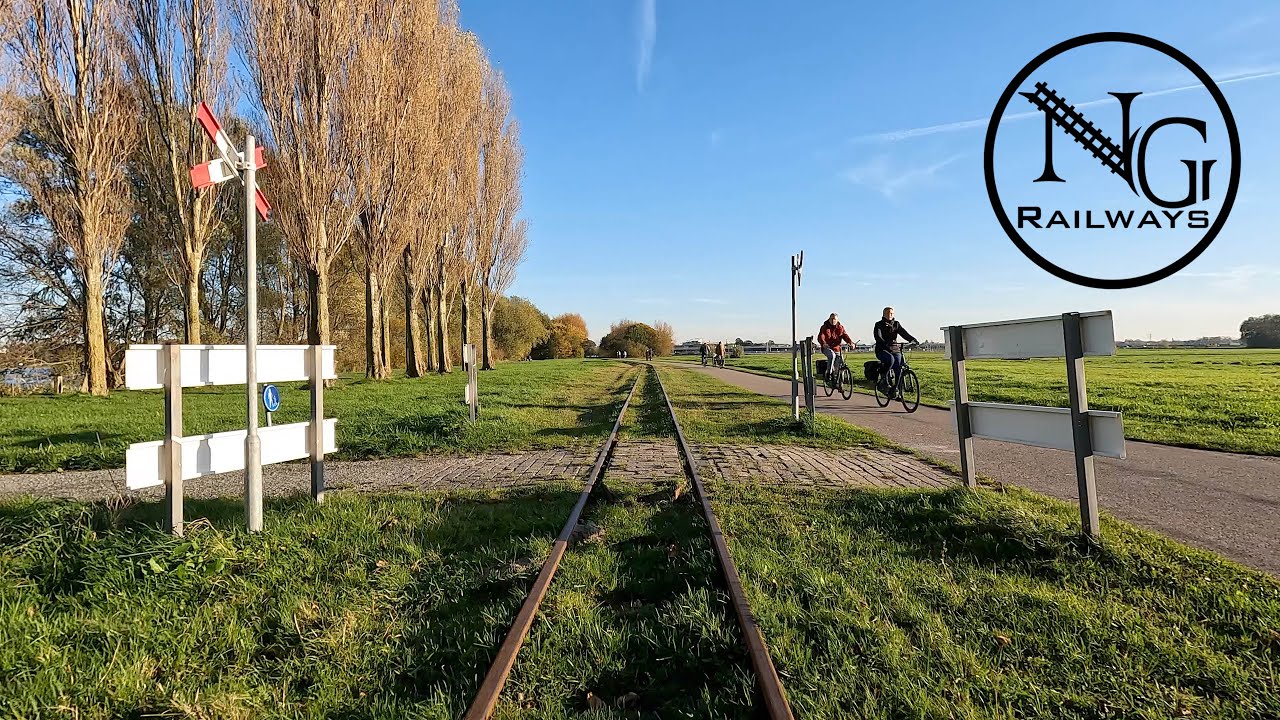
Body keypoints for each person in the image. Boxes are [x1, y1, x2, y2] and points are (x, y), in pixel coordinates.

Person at [874, 306, 918, 398]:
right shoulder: (879, 324)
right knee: (890, 360)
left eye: (892, 313)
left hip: (895, 349)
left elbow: (904, 333)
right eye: (888, 313)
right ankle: (883, 379)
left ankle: (895, 389)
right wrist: (884, 343)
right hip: (882, 349)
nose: (890, 315)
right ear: (884, 314)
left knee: (899, 368)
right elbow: (878, 336)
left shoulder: (896, 324)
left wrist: (913, 340)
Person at [817, 313, 853, 380]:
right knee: (832, 355)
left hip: (837, 348)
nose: (833, 320)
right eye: (832, 319)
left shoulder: (840, 327)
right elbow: (821, 336)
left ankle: (838, 382)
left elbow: (845, 335)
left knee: (840, 364)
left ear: (837, 320)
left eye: (835, 319)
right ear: (829, 319)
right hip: (827, 348)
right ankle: (829, 374)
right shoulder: (824, 327)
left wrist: (850, 343)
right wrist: (824, 343)